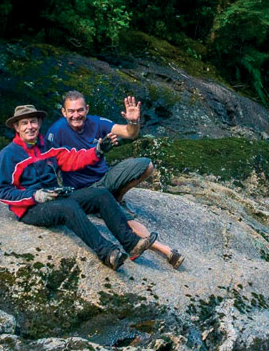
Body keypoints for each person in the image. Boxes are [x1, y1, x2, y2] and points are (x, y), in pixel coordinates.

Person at [0, 103, 158, 271]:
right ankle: (107, 253)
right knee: (68, 207)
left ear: (39, 123)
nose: (30, 126)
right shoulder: (8, 154)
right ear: (17, 127)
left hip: (55, 198)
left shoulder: (46, 146)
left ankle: (131, 244)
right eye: (24, 123)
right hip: (31, 208)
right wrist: (36, 195)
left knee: (100, 194)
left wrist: (97, 151)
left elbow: (72, 158)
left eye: (33, 122)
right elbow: (2, 191)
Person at [46, 91, 183, 269]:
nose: (76, 115)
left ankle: (117, 197)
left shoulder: (96, 122)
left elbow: (129, 133)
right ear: (64, 112)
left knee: (146, 165)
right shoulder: (56, 132)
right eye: (71, 111)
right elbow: (47, 163)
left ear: (87, 109)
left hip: (105, 178)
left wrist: (133, 122)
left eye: (80, 110)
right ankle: (166, 251)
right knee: (121, 217)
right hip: (85, 190)